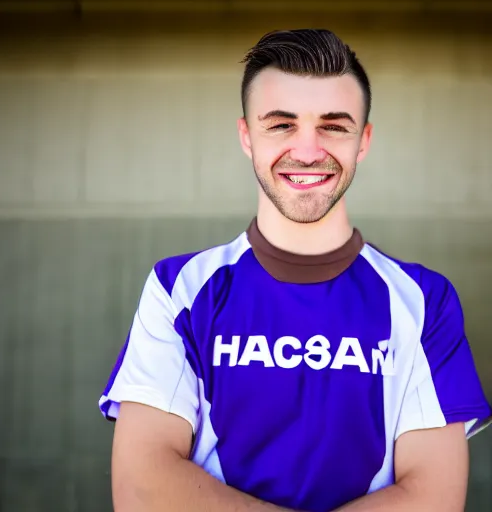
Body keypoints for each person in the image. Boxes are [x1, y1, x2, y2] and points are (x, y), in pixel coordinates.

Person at [98, 29, 491, 511]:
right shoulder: (178, 288)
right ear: (247, 136)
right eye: (281, 125)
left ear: (363, 140)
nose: (307, 151)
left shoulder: (425, 300)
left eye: (334, 126)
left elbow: (432, 498)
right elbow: (143, 491)